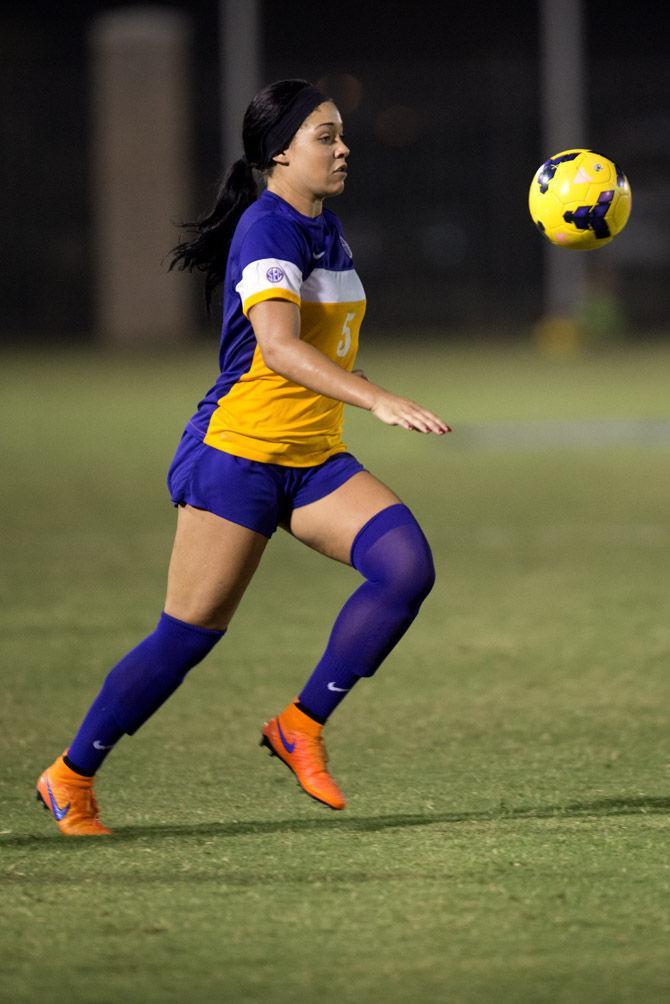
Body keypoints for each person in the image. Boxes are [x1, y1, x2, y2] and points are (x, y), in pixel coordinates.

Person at [36, 79, 450, 836]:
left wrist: (355, 391)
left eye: (340, 134)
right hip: (241, 455)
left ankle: (301, 724)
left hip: (312, 455)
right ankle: (70, 773)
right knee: (187, 635)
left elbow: (319, 348)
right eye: (325, 136)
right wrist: (376, 398)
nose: (342, 147)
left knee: (405, 568)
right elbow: (279, 349)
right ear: (278, 153)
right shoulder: (268, 227)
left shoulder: (326, 227)